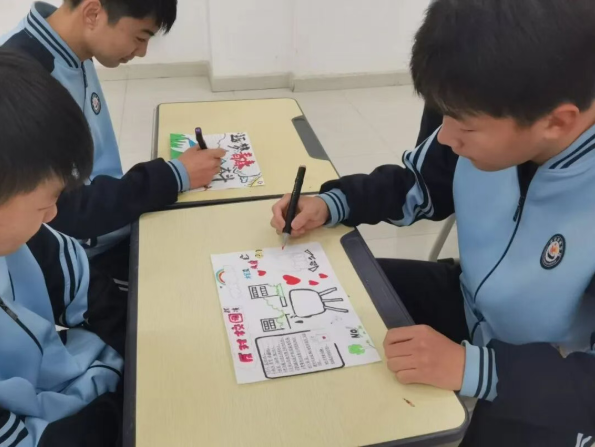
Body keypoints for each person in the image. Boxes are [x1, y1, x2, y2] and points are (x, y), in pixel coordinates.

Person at [271, 0, 595, 444]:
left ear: (557, 123)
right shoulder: (485, 109)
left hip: (552, 370)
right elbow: (418, 183)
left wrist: (475, 370)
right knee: (336, 288)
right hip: (469, 300)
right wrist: (333, 203)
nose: (445, 136)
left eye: (465, 126)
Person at [0, 0, 225, 281]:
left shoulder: (70, 49)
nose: (142, 52)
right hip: (81, 261)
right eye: (140, 37)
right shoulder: (24, 80)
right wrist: (173, 175)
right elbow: (65, 212)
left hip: (109, 225)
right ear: (93, 13)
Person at [0, 49, 127, 446]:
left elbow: (87, 286)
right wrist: (120, 415)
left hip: (56, 385)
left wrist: (140, 355)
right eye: (44, 205)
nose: (53, 215)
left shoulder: (22, 238)